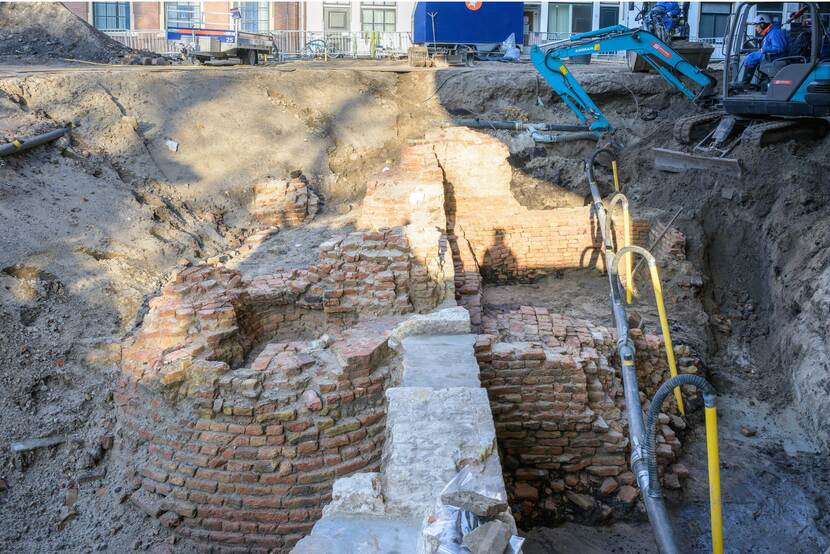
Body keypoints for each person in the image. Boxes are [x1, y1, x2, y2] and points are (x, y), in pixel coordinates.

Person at [742, 14, 790, 87]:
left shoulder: (774, 33)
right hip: (770, 55)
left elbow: (780, 48)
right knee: (750, 55)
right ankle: (753, 82)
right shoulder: (770, 33)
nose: (756, 28)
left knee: (750, 58)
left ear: (762, 24)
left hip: (774, 57)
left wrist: (764, 49)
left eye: (756, 26)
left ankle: (745, 84)